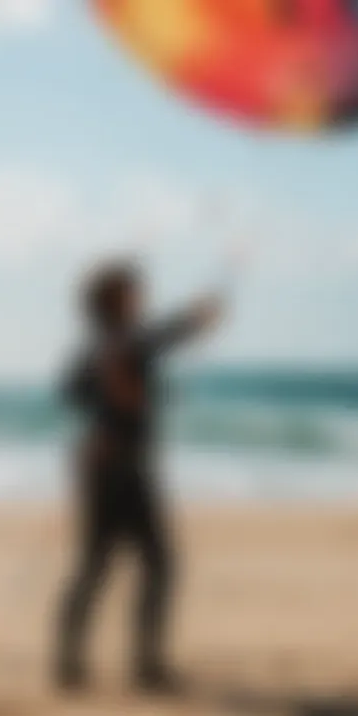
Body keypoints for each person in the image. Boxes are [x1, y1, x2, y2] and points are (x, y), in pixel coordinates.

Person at [54, 260, 223, 693]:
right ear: (113, 299)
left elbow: (69, 389)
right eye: (133, 291)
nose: (141, 296)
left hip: (105, 464)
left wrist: (107, 396)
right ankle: (143, 667)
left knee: (106, 563)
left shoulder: (97, 345)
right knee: (152, 562)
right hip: (119, 467)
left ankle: (73, 666)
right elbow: (156, 338)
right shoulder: (120, 339)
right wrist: (197, 317)